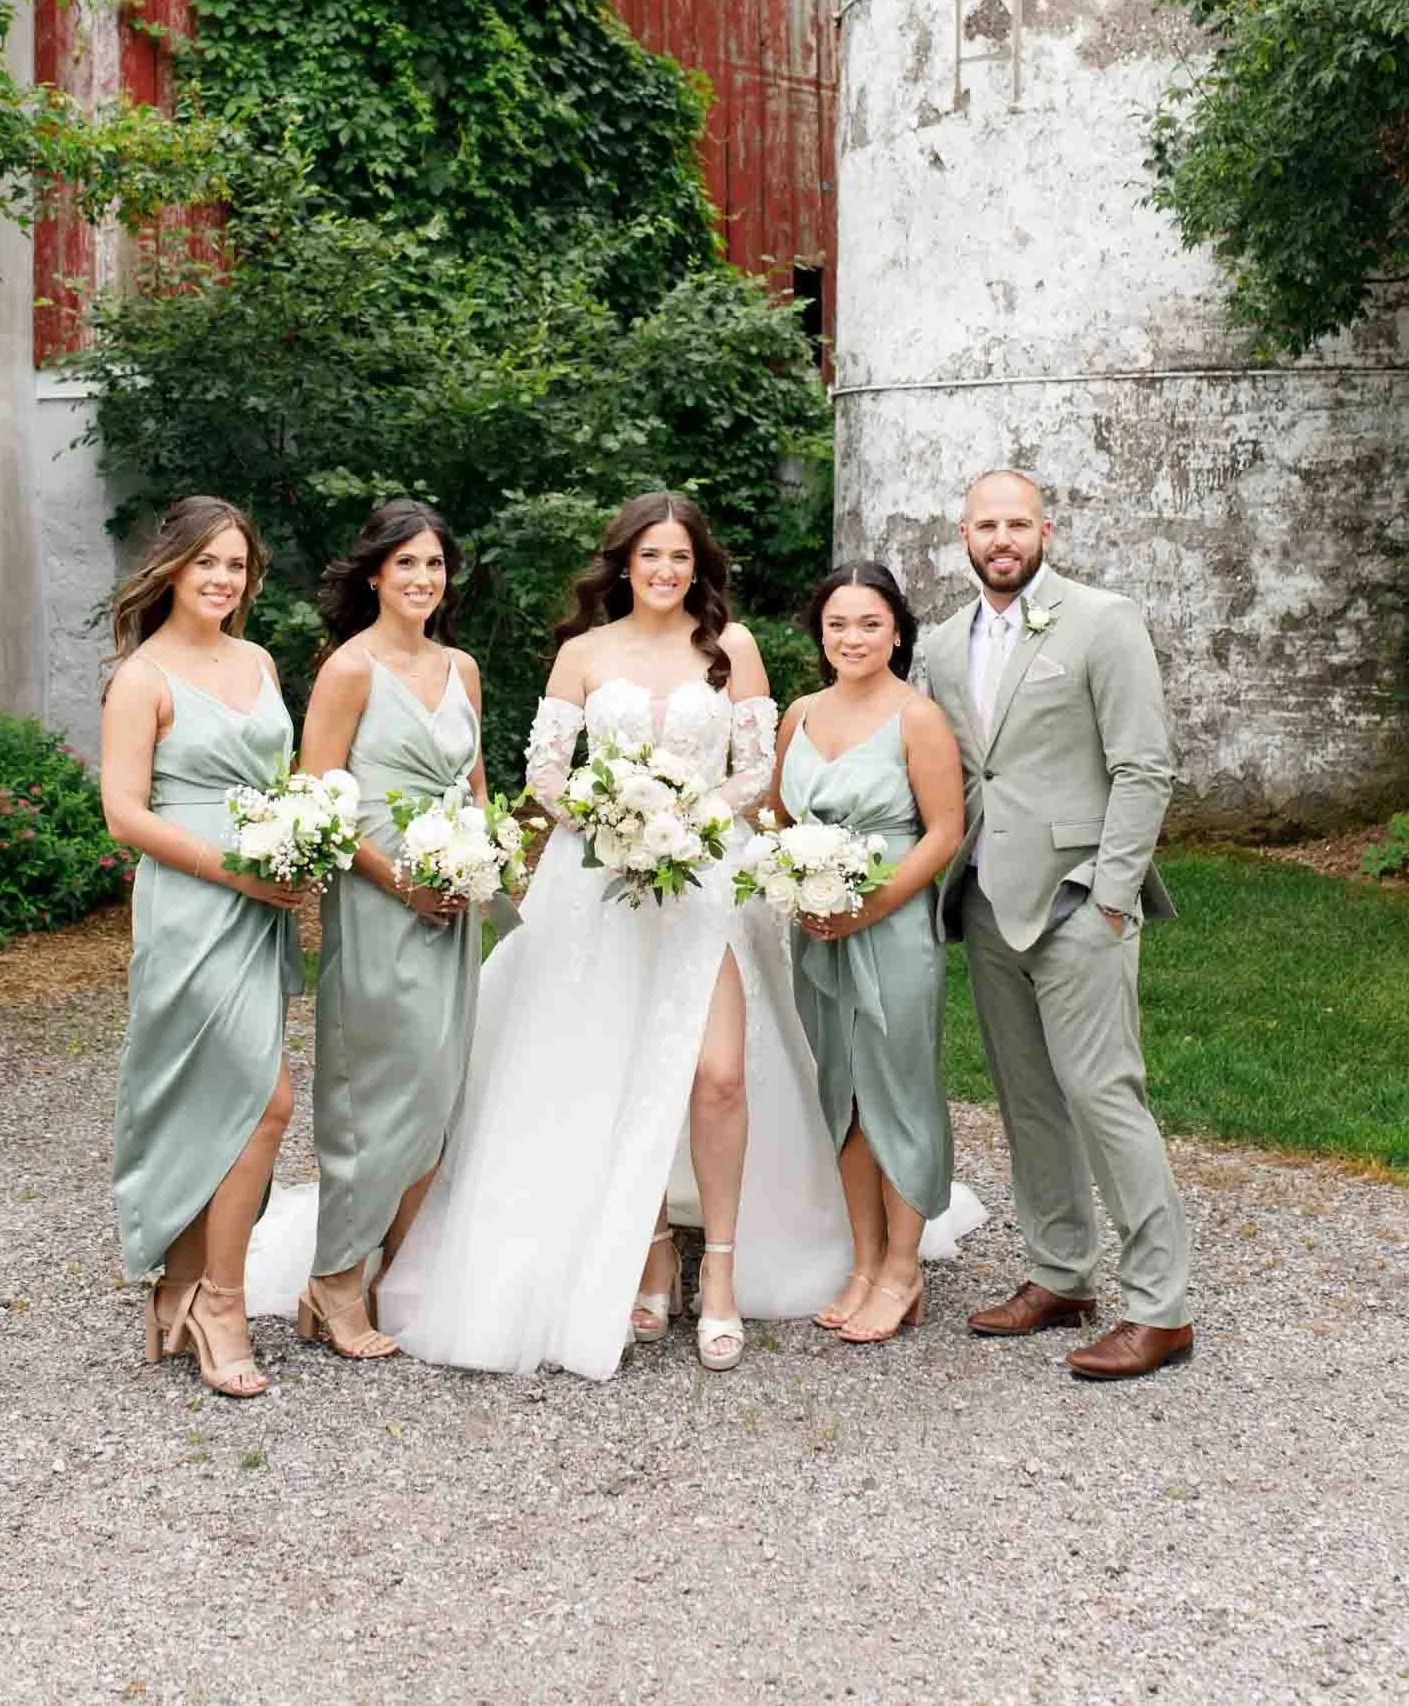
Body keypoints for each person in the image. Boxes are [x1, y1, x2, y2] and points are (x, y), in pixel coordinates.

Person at [375, 492, 857, 1379]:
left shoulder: (732, 647)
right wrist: (614, 827)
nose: (665, 573)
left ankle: (720, 1273)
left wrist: (693, 818)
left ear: (698, 566)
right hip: (603, 884)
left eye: (680, 558)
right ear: (623, 565)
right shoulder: (583, 654)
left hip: (708, 878)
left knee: (716, 1073)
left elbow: (757, 769)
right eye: (649, 558)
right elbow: (547, 773)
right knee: (615, 1063)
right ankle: (651, 1248)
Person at [924, 469, 1193, 1381]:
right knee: (1027, 1101)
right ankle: (1060, 1274)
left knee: (1105, 1097)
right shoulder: (937, 644)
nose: (1001, 539)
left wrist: (1112, 895)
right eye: (984, 525)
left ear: (1046, 528)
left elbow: (1144, 767)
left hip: (1081, 899)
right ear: (962, 536)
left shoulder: (1102, 621)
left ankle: (1160, 1309)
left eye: (1017, 523)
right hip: (989, 904)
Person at [101, 497, 303, 1400]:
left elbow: (284, 781)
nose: (224, 580)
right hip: (192, 906)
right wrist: (237, 869)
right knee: (263, 1102)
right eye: (207, 564)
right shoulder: (143, 676)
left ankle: (181, 1289)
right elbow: (125, 814)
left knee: (229, 1100)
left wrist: (305, 842)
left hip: (262, 908)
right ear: (171, 570)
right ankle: (221, 1303)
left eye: (238, 566)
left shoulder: (258, 660)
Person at [279, 501, 488, 1362]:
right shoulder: (349, 671)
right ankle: (333, 1278)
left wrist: (479, 858)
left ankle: (392, 1268)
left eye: (434, 565)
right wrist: (400, 881)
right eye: (406, 565)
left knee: (441, 1085)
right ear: (374, 575)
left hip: (454, 900)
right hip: (377, 900)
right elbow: (316, 796)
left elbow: (475, 782)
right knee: (374, 1086)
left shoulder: (463, 666)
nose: (422, 580)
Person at [770, 562, 985, 1343]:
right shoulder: (798, 715)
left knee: (897, 1088)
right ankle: (863, 1263)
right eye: (837, 624)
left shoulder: (916, 717)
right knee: (842, 1092)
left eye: (868, 623)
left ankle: (904, 1268)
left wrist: (876, 901)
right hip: (818, 926)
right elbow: (776, 815)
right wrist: (797, 884)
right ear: (819, 633)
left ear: (897, 631)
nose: (851, 638)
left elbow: (944, 831)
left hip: (891, 923)